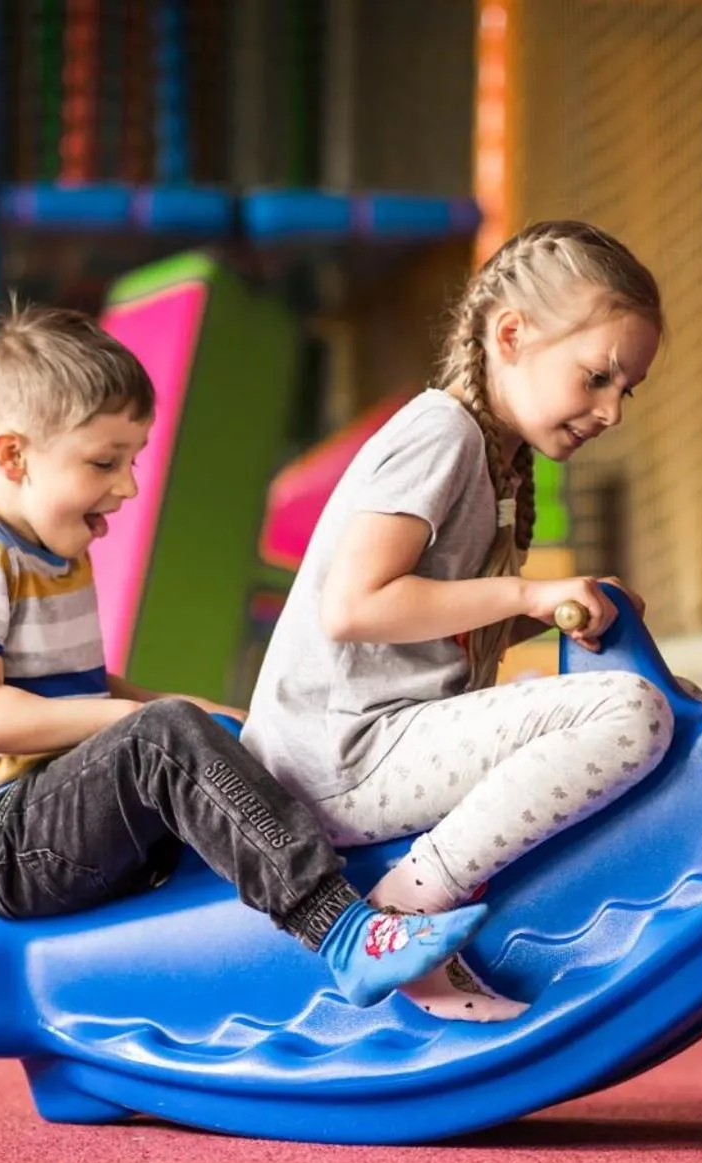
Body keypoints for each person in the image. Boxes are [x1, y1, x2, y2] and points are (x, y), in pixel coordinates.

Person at [0, 303, 485, 1010]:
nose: (128, 485)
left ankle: (389, 883)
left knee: (219, 736)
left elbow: (80, 690)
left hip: (55, 810)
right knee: (165, 736)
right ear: (14, 456)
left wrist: (204, 716)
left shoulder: (57, 549)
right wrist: (152, 721)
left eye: (133, 459)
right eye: (104, 462)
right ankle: (345, 933)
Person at [243, 221, 677, 1022]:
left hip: (381, 739)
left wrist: (563, 607)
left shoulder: (499, 458)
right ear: (511, 336)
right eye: (597, 377)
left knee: (663, 702)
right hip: (341, 754)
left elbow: (433, 627)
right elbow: (356, 607)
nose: (612, 411)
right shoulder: (441, 433)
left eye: (628, 390)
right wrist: (527, 596)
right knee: (631, 712)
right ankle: (405, 910)